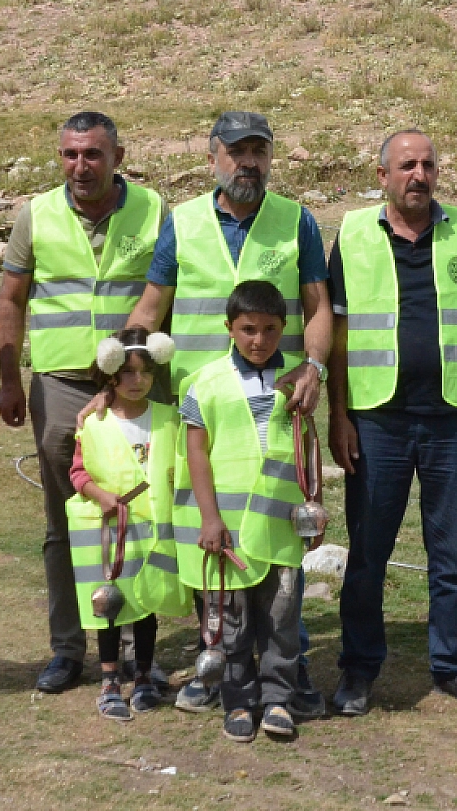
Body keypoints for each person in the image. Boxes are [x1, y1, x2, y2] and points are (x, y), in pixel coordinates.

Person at [115, 110, 331, 717]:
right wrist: (120, 364)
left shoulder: (297, 221)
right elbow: (153, 304)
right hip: (200, 407)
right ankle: (217, 666)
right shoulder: (182, 221)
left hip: (276, 406)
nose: (248, 163)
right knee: (205, 534)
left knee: (279, 534)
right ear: (212, 156)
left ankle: (290, 670)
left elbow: (318, 307)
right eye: (236, 152)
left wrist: (312, 367)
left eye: (258, 151)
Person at [326, 129, 457, 718]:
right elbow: (339, 332)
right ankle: (358, 670)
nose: (419, 175)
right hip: (375, 421)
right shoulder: (352, 233)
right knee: (368, 554)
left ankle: (454, 666)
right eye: (407, 165)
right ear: (382, 175)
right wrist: (339, 414)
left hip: (453, 420)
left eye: (428, 164)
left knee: (451, 556)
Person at [0, 112, 164, 694]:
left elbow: (166, 292)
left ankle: (144, 651)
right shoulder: (34, 215)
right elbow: (11, 298)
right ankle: (68, 649)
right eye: (69, 154)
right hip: (61, 385)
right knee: (69, 519)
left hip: (136, 384)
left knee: (142, 513)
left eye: (92, 154)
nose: (80, 166)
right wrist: (10, 380)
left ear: (118, 154)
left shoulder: (153, 209)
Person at [175, 281, 310, 743]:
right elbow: (196, 453)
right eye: (248, 329)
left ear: (283, 329)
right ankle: (237, 701)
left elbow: (305, 448)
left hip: (280, 526)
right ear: (229, 328)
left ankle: (278, 699)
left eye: (270, 329)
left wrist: (314, 506)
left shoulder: (299, 378)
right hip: (228, 529)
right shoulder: (205, 384)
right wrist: (210, 518)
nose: (259, 340)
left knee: (281, 616)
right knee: (230, 621)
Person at [68, 328, 191, 722]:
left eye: (145, 372)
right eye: (127, 373)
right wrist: (101, 497)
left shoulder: (169, 420)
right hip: (110, 533)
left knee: (146, 604)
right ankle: (108, 681)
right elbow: (77, 472)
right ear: (110, 375)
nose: (137, 382)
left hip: (153, 532)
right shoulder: (95, 422)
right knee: (109, 604)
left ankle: (142, 675)